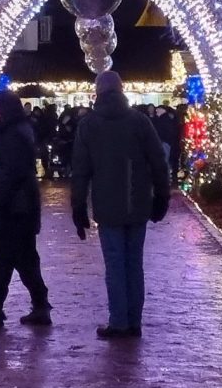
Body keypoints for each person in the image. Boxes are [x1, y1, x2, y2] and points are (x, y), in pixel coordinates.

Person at [70, 71, 170, 339]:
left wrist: (78, 208)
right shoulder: (139, 121)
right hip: (137, 201)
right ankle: (134, 321)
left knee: (115, 264)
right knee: (134, 263)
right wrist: (162, 196)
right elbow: (158, 162)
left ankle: (119, 321)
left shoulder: (89, 125)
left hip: (107, 204)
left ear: (98, 92)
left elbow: (80, 171)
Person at [0, 90, 51, 328]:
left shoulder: (11, 134)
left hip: (13, 208)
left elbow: (11, 173)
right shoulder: (18, 130)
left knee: (1, 259)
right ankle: (37, 305)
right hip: (21, 207)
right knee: (23, 259)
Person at [150, 104, 185, 176]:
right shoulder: (163, 118)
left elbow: (168, 132)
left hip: (164, 143)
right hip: (164, 142)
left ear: (163, 110)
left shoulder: (165, 119)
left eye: (158, 109)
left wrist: (163, 140)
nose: (156, 110)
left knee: (164, 161)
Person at [31, 102, 61, 179]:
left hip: (43, 138)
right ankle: (48, 170)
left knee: (44, 155)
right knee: (46, 154)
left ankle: (47, 170)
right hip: (45, 138)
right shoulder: (49, 117)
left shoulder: (43, 118)